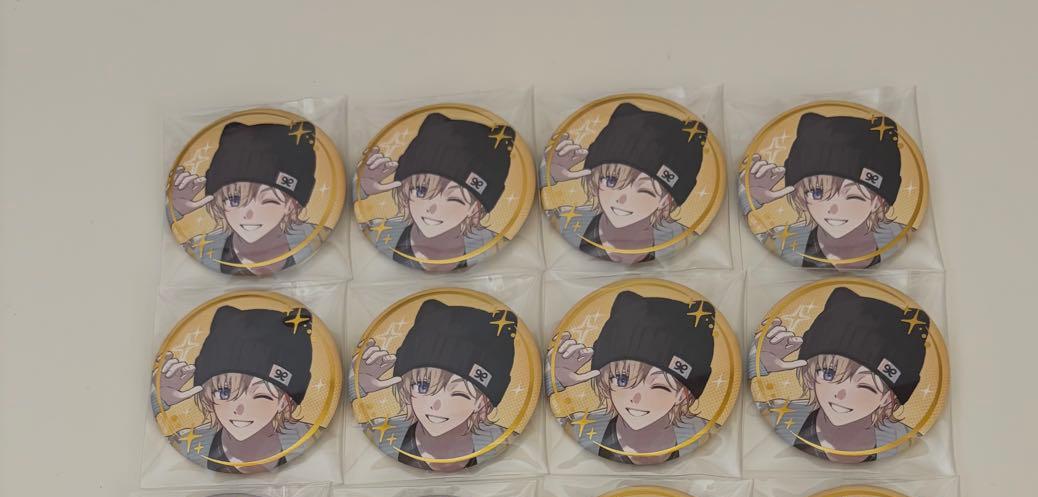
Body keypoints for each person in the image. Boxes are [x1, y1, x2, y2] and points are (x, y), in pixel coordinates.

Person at [752, 287, 928, 462]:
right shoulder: (783, 417)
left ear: (887, 399)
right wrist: (758, 363)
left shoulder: (904, 441)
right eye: (828, 374)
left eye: (865, 386)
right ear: (811, 375)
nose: (840, 394)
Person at [552, 290, 714, 463]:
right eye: (622, 380)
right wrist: (554, 381)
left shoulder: (703, 434)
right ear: (607, 381)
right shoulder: (582, 428)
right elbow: (549, 430)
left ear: (682, 394)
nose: (636, 398)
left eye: (659, 386)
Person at [354, 299, 516, 471]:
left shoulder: (501, 440)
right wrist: (358, 387)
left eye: (458, 394)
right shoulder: (384, 431)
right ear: (407, 387)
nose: (435, 405)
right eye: (422, 386)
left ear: (481, 402)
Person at [154, 305, 314, 472]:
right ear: (209, 395)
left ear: (284, 402)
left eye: (261, 396)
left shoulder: (308, 438)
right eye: (224, 393)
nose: (239, 409)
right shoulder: (191, 443)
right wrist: (160, 399)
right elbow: (153, 444)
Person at [545, 103, 708, 264]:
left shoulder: (683, 240)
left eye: (644, 190)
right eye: (611, 181)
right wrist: (548, 175)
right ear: (595, 180)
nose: (621, 199)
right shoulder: (567, 221)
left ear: (665, 201)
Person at [742, 112, 907, 268]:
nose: (833, 209)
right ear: (802, 195)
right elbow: (745, 246)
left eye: (853, 196)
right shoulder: (784, 242)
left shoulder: (901, 238)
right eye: (817, 193)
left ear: (878, 201)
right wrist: (749, 198)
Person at [356, 113, 515, 271]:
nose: (432, 208)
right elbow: (354, 230)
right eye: (421, 191)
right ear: (406, 191)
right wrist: (360, 189)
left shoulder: (492, 246)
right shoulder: (383, 234)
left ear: (474, 208)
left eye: (454, 199)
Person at [169, 120, 322, 275]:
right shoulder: (202, 250)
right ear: (220, 203)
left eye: (268, 201)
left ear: (290, 206)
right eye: (234, 200)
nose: (248, 214)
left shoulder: (317, 239)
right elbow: (162, 255)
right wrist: (173, 210)